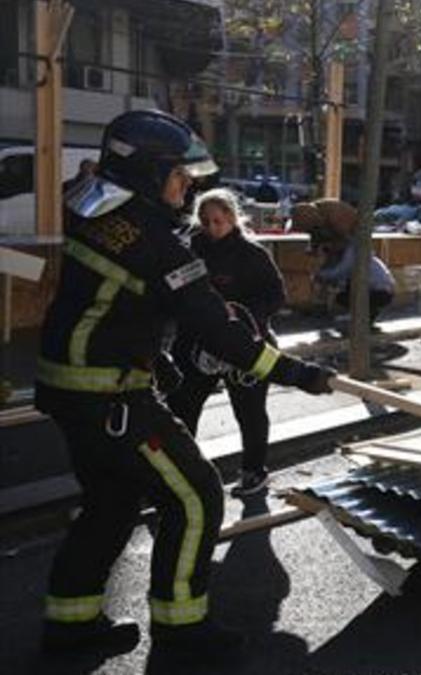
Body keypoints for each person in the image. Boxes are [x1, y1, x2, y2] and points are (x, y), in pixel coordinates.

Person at [35, 109, 334, 661]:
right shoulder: (156, 243)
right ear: (148, 175)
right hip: (110, 395)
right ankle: (181, 632)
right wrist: (296, 373)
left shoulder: (89, 208)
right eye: (177, 175)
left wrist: (153, 356)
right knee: (195, 496)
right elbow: (215, 328)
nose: (188, 186)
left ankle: (70, 623)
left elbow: (116, 301)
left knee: (110, 503)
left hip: (72, 385)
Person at [166, 189, 286, 497]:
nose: (212, 228)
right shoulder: (190, 250)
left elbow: (275, 296)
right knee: (183, 408)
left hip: (245, 343)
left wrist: (243, 315)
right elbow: (174, 291)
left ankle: (253, 470)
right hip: (197, 344)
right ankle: (181, 472)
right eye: (205, 222)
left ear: (233, 219)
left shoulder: (253, 254)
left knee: (249, 411)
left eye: (218, 221)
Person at [314, 240, 397, 324]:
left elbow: (341, 271)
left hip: (379, 292)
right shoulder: (371, 259)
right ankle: (367, 317)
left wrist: (321, 275)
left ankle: (360, 317)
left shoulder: (353, 255)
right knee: (348, 288)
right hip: (387, 291)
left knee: (342, 297)